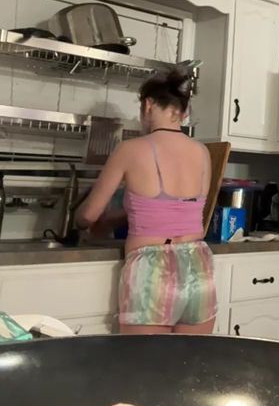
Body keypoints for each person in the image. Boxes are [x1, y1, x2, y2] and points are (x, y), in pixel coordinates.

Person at [76, 69, 216, 335]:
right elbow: (181, 211)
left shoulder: (130, 149)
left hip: (153, 269)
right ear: (184, 112)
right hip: (198, 264)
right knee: (193, 358)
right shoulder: (202, 152)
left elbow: (90, 214)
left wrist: (77, 220)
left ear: (148, 105)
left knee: (145, 361)